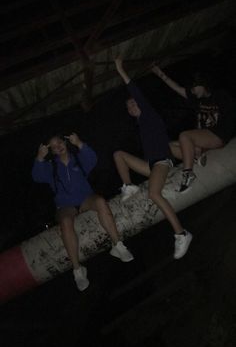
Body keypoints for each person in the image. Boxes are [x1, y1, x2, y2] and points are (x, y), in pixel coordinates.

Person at [32, 132, 134, 292]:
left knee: (100, 201)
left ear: (65, 143)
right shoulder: (50, 167)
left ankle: (118, 245)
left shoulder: (77, 159)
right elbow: (36, 176)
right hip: (65, 206)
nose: (58, 146)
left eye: (59, 142)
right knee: (65, 222)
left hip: (86, 199)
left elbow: (93, 158)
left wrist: (79, 143)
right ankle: (78, 270)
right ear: (52, 151)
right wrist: (39, 157)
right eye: (54, 146)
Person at [114, 58, 192, 260]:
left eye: (133, 103)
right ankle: (128, 185)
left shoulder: (149, 114)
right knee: (118, 155)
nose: (131, 107)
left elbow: (135, 91)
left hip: (162, 162)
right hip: (151, 165)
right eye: (128, 107)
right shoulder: (141, 124)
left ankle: (181, 233)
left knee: (154, 194)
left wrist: (120, 69)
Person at [151, 64, 235, 192]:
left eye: (195, 88)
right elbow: (178, 88)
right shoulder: (196, 100)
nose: (193, 92)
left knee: (185, 136)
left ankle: (188, 173)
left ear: (202, 85)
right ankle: (196, 157)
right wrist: (160, 74)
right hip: (202, 140)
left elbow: (232, 114)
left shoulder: (220, 96)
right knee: (167, 146)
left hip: (219, 135)